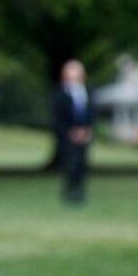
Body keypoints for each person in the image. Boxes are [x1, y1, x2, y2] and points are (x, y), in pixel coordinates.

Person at [53, 59, 93, 204]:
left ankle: (80, 191)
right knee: (70, 163)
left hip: (84, 133)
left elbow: (91, 113)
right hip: (68, 134)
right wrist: (70, 131)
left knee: (82, 164)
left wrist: (87, 129)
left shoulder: (86, 91)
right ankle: (68, 192)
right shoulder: (61, 93)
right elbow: (59, 116)